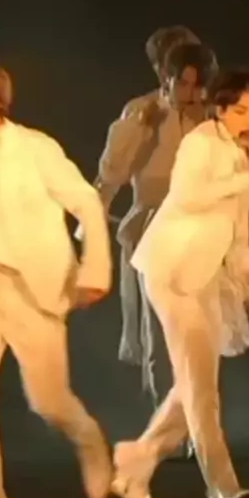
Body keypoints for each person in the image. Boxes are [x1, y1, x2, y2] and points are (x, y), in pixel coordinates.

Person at [110, 69, 249, 498]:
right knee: (200, 388)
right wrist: (247, 175)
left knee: (193, 385)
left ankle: (134, 464)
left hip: (204, 273)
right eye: (240, 110)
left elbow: (238, 225)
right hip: (170, 270)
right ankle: (222, 487)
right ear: (220, 110)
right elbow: (188, 196)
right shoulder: (200, 142)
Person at [0, 64, 113, 498]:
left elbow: (86, 202)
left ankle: (87, 438)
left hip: (33, 288)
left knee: (48, 401)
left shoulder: (34, 148)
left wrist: (94, 270)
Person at [95, 39, 217, 427]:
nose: (190, 93)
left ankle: (198, 423)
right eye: (183, 82)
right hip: (154, 229)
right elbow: (112, 170)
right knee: (160, 333)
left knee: (201, 333)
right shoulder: (143, 111)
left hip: (202, 232)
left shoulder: (212, 116)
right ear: (166, 76)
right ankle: (169, 421)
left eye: (197, 85)